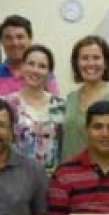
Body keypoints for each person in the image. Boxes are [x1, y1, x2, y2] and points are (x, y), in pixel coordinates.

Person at [60, 35, 109, 161]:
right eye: (84, 58)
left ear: (106, 63)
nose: (90, 63)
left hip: (102, 177)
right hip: (69, 175)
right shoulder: (70, 98)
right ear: (76, 64)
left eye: (96, 58)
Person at [6, 44, 66, 173]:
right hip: (16, 180)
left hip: (53, 181)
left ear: (49, 73)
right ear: (22, 67)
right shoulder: (8, 104)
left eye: (42, 66)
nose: (35, 70)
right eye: (31, 64)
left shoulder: (61, 106)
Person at [0, 14, 60, 97]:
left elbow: (54, 104)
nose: (15, 43)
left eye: (20, 37)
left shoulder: (42, 74)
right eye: (8, 38)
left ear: (30, 39)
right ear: (1, 41)